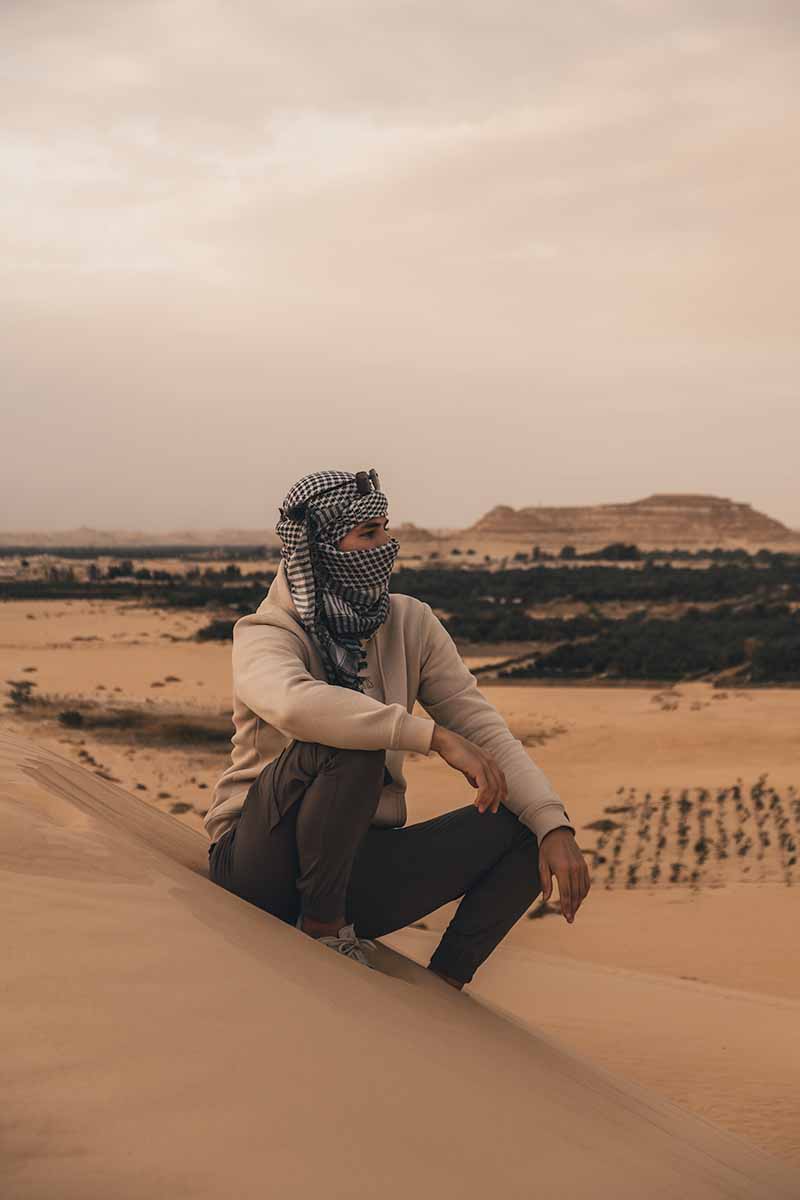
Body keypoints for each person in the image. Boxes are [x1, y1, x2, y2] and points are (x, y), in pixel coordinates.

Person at [206, 467, 590, 989]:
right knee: (355, 739)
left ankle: (442, 994)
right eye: (368, 534)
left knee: (523, 822)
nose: (387, 546)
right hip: (257, 863)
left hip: (355, 866)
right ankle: (323, 933)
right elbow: (296, 707)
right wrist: (430, 736)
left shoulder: (410, 622)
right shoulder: (266, 632)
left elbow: (483, 727)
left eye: (386, 528)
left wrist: (553, 823)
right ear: (320, 548)